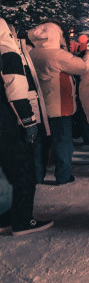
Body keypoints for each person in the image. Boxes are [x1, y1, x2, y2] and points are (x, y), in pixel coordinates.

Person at [0, 18, 53, 235]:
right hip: (8, 119)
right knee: (22, 169)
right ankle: (23, 220)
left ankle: (5, 217)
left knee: (5, 171)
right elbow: (15, 84)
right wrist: (28, 119)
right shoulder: (7, 50)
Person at [27, 21, 89, 184]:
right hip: (59, 106)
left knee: (40, 142)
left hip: (39, 107)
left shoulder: (32, 54)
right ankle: (63, 176)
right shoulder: (58, 55)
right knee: (62, 142)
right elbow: (83, 67)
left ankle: (37, 175)